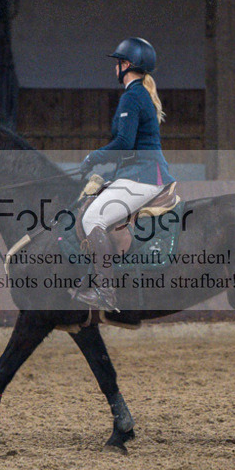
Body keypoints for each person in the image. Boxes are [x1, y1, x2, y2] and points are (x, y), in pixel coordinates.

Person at [74, 37, 174, 310]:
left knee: (92, 218)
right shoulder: (140, 94)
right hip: (136, 173)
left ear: (126, 65)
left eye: (117, 63)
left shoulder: (133, 96)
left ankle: (106, 293)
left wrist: (92, 158)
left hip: (143, 176)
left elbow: (123, 144)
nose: (114, 68)